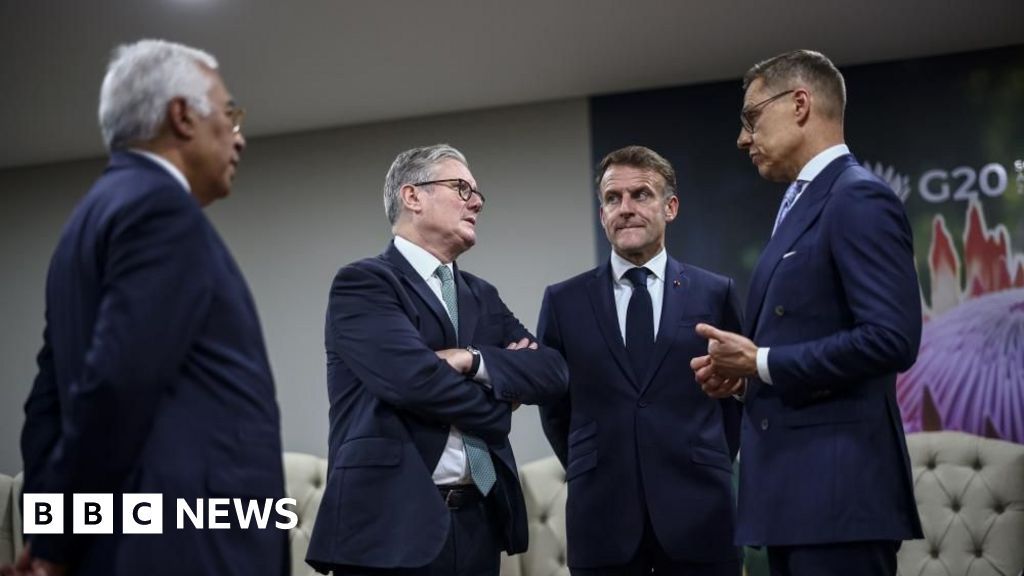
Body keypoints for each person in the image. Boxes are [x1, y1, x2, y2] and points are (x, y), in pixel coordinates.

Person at [7, 40, 288, 576]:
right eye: (229, 114)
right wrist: (58, 547)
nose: (239, 137)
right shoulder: (160, 209)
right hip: (187, 547)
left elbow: (47, 408)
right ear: (181, 115)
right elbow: (118, 383)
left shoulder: (83, 225)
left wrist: (51, 539)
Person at [691, 49, 922, 576]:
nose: (743, 138)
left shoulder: (857, 197)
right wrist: (748, 379)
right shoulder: (805, 201)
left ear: (799, 104)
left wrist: (761, 362)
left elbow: (892, 338)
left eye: (752, 117)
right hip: (794, 502)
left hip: (839, 501)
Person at [304, 144, 568, 576]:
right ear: (413, 196)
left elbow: (552, 372)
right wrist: (500, 405)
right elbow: (416, 382)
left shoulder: (481, 294)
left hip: (479, 521)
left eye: (477, 194)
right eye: (462, 188)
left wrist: (472, 359)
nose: (476, 202)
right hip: (389, 526)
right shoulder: (364, 283)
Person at [539, 146, 743, 575]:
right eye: (613, 198)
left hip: (700, 515)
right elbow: (555, 407)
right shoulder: (563, 301)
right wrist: (593, 464)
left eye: (641, 194)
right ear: (602, 215)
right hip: (601, 518)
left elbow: (735, 397)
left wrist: (707, 458)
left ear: (670, 207)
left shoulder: (715, 292)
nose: (625, 208)